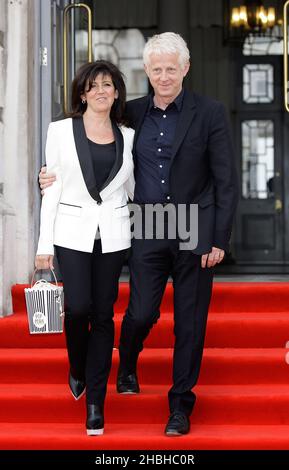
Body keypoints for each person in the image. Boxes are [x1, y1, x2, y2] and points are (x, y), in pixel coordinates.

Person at [39, 32, 239, 437]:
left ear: (185, 69)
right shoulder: (129, 114)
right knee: (142, 311)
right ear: (146, 71)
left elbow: (226, 180)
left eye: (171, 68)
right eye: (156, 69)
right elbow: (92, 156)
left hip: (193, 226)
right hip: (147, 224)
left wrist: (219, 238)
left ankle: (180, 405)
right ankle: (126, 359)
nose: (164, 76)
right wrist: (45, 178)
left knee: (190, 322)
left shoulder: (210, 112)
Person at [35, 60, 134, 436]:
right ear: (82, 93)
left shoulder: (128, 135)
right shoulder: (60, 131)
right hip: (70, 233)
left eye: (108, 85)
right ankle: (77, 365)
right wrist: (44, 246)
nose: (101, 91)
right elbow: (52, 188)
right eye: (93, 86)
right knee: (78, 309)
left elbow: (133, 187)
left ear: (116, 92)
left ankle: (95, 402)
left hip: (112, 235)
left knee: (105, 314)